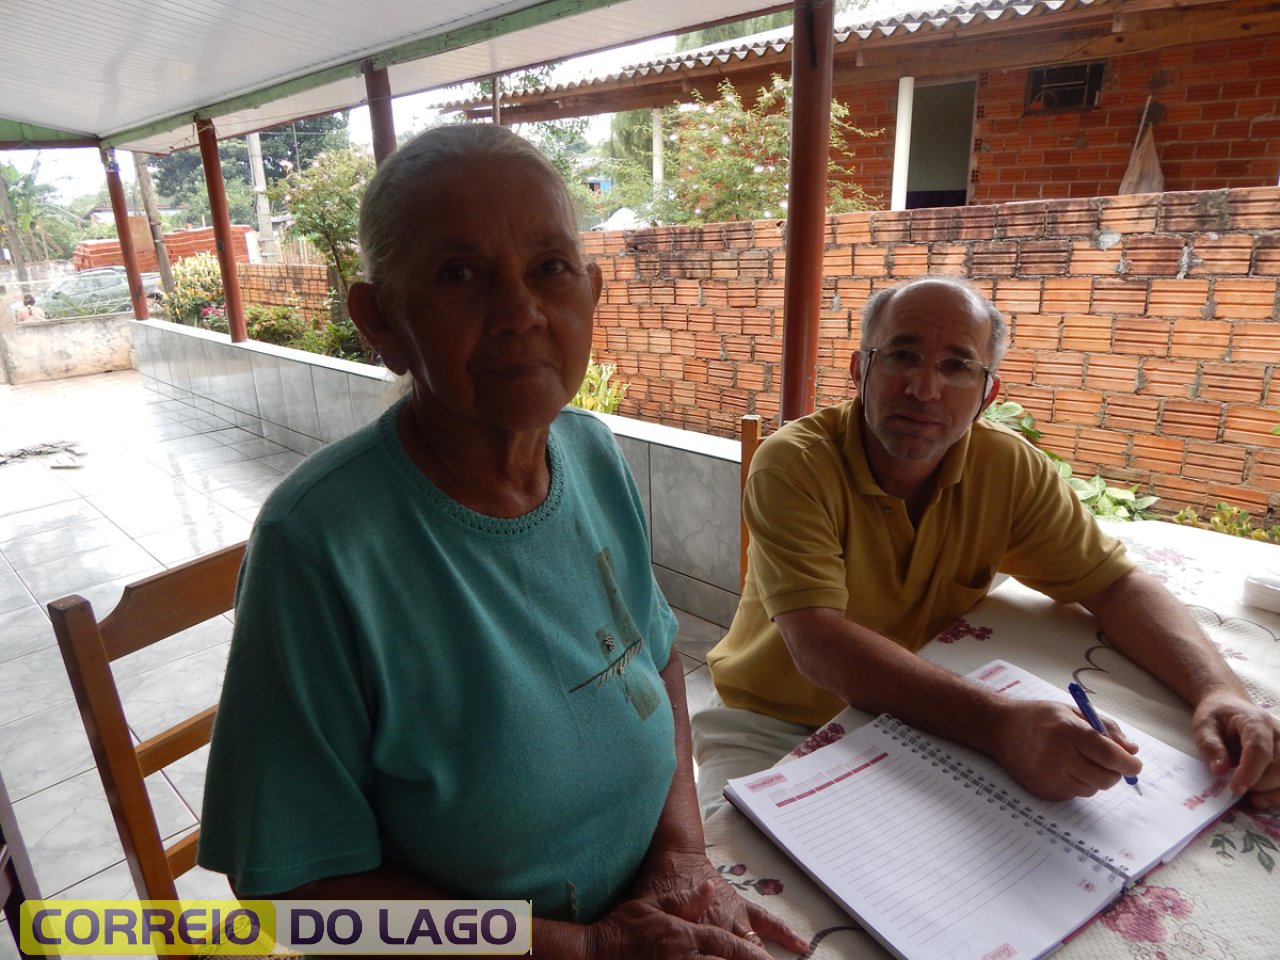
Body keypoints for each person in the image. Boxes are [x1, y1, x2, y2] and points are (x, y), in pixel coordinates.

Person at [197, 124, 806, 960]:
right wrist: (584, 950)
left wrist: (680, 857)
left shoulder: (590, 452)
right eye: (459, 275)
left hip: (652, 902)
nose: (521, 313)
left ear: (589, 293)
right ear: (382, 323)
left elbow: (657, 658)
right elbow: (295, 885)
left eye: (550, 269)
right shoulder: (318, 546)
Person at [697, 274, 1280, 816]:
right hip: (774, 719)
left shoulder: (1007, 468)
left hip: (923, 710)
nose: (924, 389)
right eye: (903, 356)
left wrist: (1219, 693)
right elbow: (819, 643)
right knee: (728, 888)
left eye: (956, 366)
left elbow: (1115, 584)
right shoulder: (795, 463)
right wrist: (1000, 725)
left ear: (987, 391)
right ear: (860, 370)